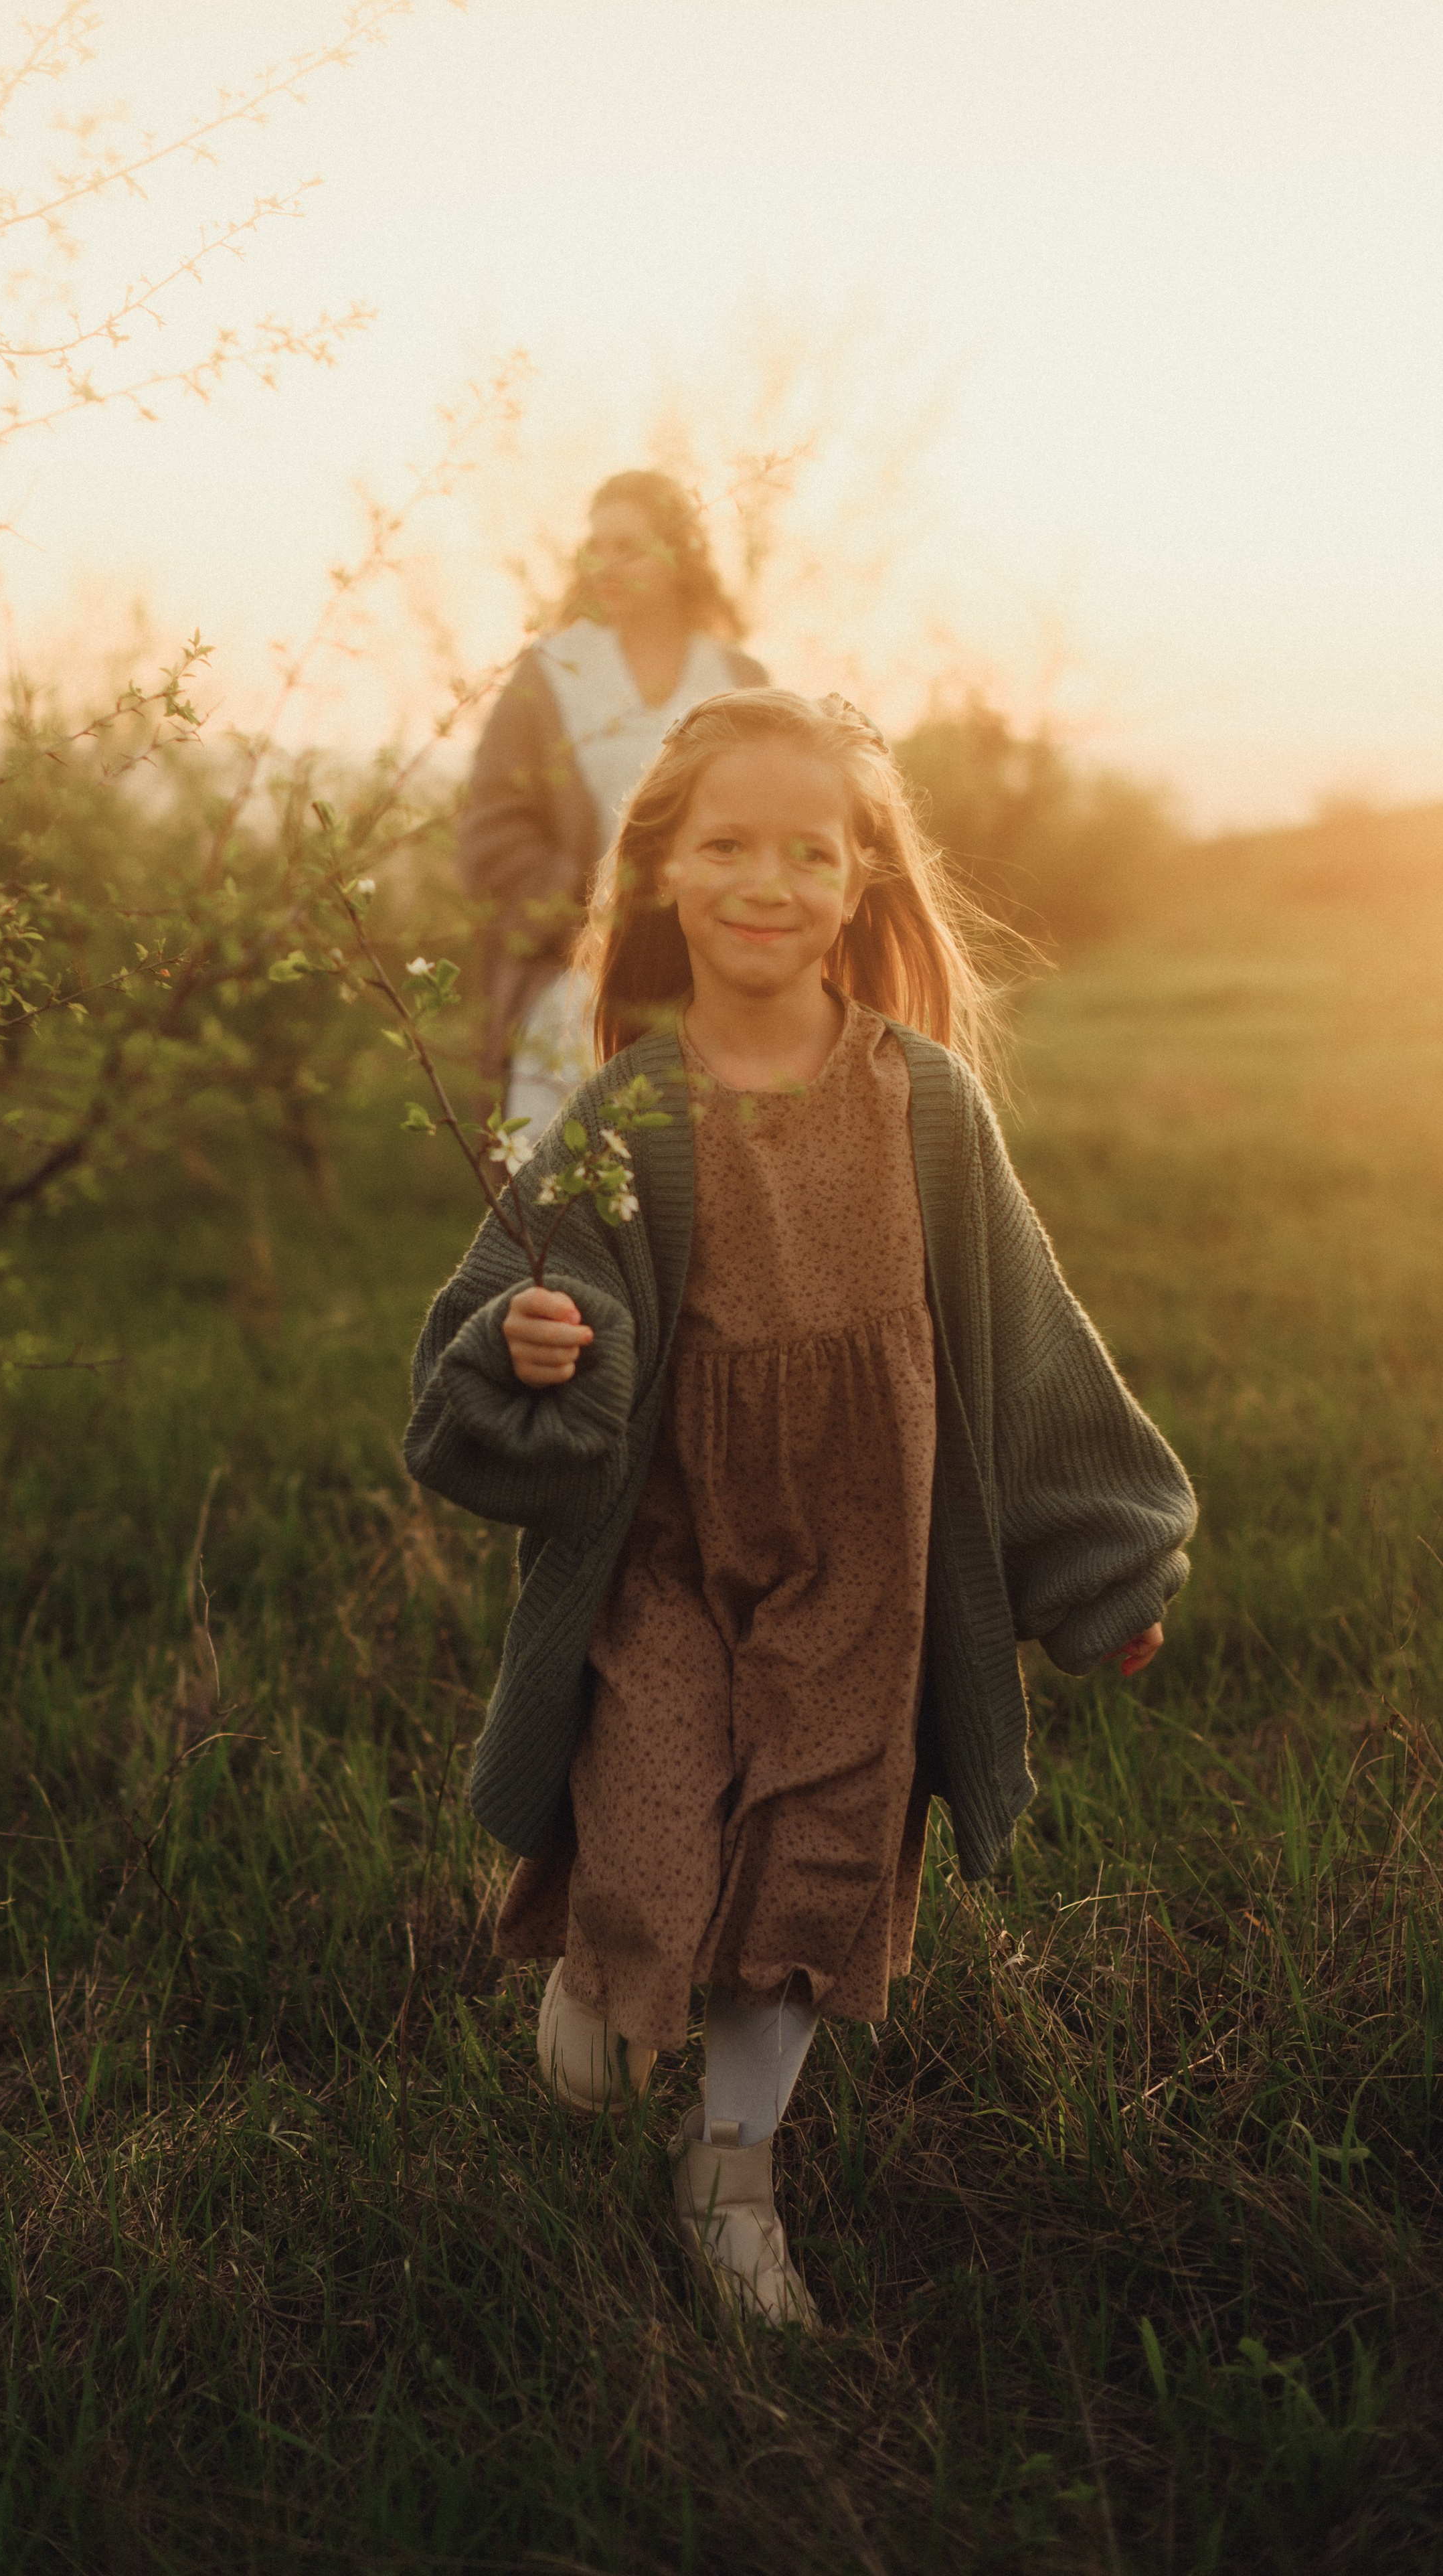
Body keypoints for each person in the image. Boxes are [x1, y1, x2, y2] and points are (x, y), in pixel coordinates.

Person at [406, 688, 1196, 2328]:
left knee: (813, 1871)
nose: (765, 880)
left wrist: (1103, 1570)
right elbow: (496, 1319)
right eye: (726, 845)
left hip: (870, 1554)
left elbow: (1026, 1341)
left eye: (806, 850)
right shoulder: (628, 1111)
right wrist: (529, 1342)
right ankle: (599, 1964)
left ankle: (732, 2171)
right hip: (668, 1551)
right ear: (665, 873)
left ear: (859, 884)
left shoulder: (921, 1104)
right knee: (647, 1840)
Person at [456, 470, 767, 1132]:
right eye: (594, 546)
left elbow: (777, 817)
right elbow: (490, 825)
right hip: (574, 975)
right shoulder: (550, 671)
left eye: (627, 544)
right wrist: (584, 904)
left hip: (706, 973)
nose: (605, 563)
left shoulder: (738, 680)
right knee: (558, 1175)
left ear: (679, 555)